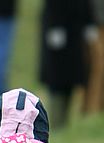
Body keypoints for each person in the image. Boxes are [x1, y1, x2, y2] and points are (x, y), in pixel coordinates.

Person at [39, 0, 94, 128]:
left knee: (71, 79)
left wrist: (89, 22)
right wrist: (54, 26)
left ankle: (64, 121)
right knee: (56, 80)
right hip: (56, 31)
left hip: (75, 34)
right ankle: (56, 121)